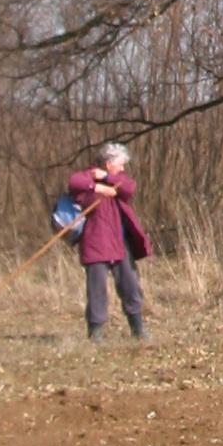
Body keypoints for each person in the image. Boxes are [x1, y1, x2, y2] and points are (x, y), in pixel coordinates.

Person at [66, 142, 152, 342]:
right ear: (108, 162)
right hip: (96, 243)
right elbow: (74, 182)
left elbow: (129, 188)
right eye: (120, 164)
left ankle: (137, 329)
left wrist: (106, 179)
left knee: (130, 286)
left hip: (120, 244)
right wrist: (96, 186)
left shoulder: (116, 180)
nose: (122, 169)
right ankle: (96, 332)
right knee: (97, 289)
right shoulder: (87, 176)